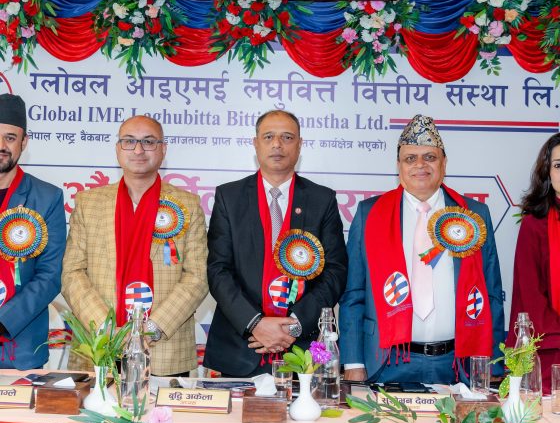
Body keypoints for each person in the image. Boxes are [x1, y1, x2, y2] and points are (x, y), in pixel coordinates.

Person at [339, 114, 504, 384]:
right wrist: (354, 363)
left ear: (444, 163)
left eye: (430, 157)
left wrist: (493, 363)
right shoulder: (370, 213)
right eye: (410, 158)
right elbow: (354, 294)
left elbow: (492, 293)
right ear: (398, 166)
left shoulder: (474, 214)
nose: (420, 165)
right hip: (386, 361)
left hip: (458, 364)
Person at [204, 109, 348, 377]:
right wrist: (255, 323)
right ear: (255, 143)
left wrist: (294, 324)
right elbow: (218, 270)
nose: (277, 145)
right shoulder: (229, 197)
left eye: (287, 137)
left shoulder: (322, 199)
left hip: (304, 348)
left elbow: (335, 272)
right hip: (241, 345)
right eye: (268, 137)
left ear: (300, 145)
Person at [62, 115, 208, 376]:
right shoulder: (88, 203)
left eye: (148, 142)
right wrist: (107, 328)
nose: (138, 150)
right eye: (129, 141)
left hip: (165, 351)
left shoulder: (188, 204)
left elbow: (198, 276)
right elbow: (72, 273)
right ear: (118, 148)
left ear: (163, 149)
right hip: (100, 348)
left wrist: (149, 329)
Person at [0, 94, 66, 369]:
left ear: (24, 142)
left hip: (20, 349)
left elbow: (50, 275)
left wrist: (4, 321)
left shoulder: (47, 197)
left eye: (10, 138)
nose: (1, 146)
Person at [507, 132, 560, 394]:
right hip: (550, 347)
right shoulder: (534, 224)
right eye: (559, 165)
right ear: (547, 172)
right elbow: (529, 293)